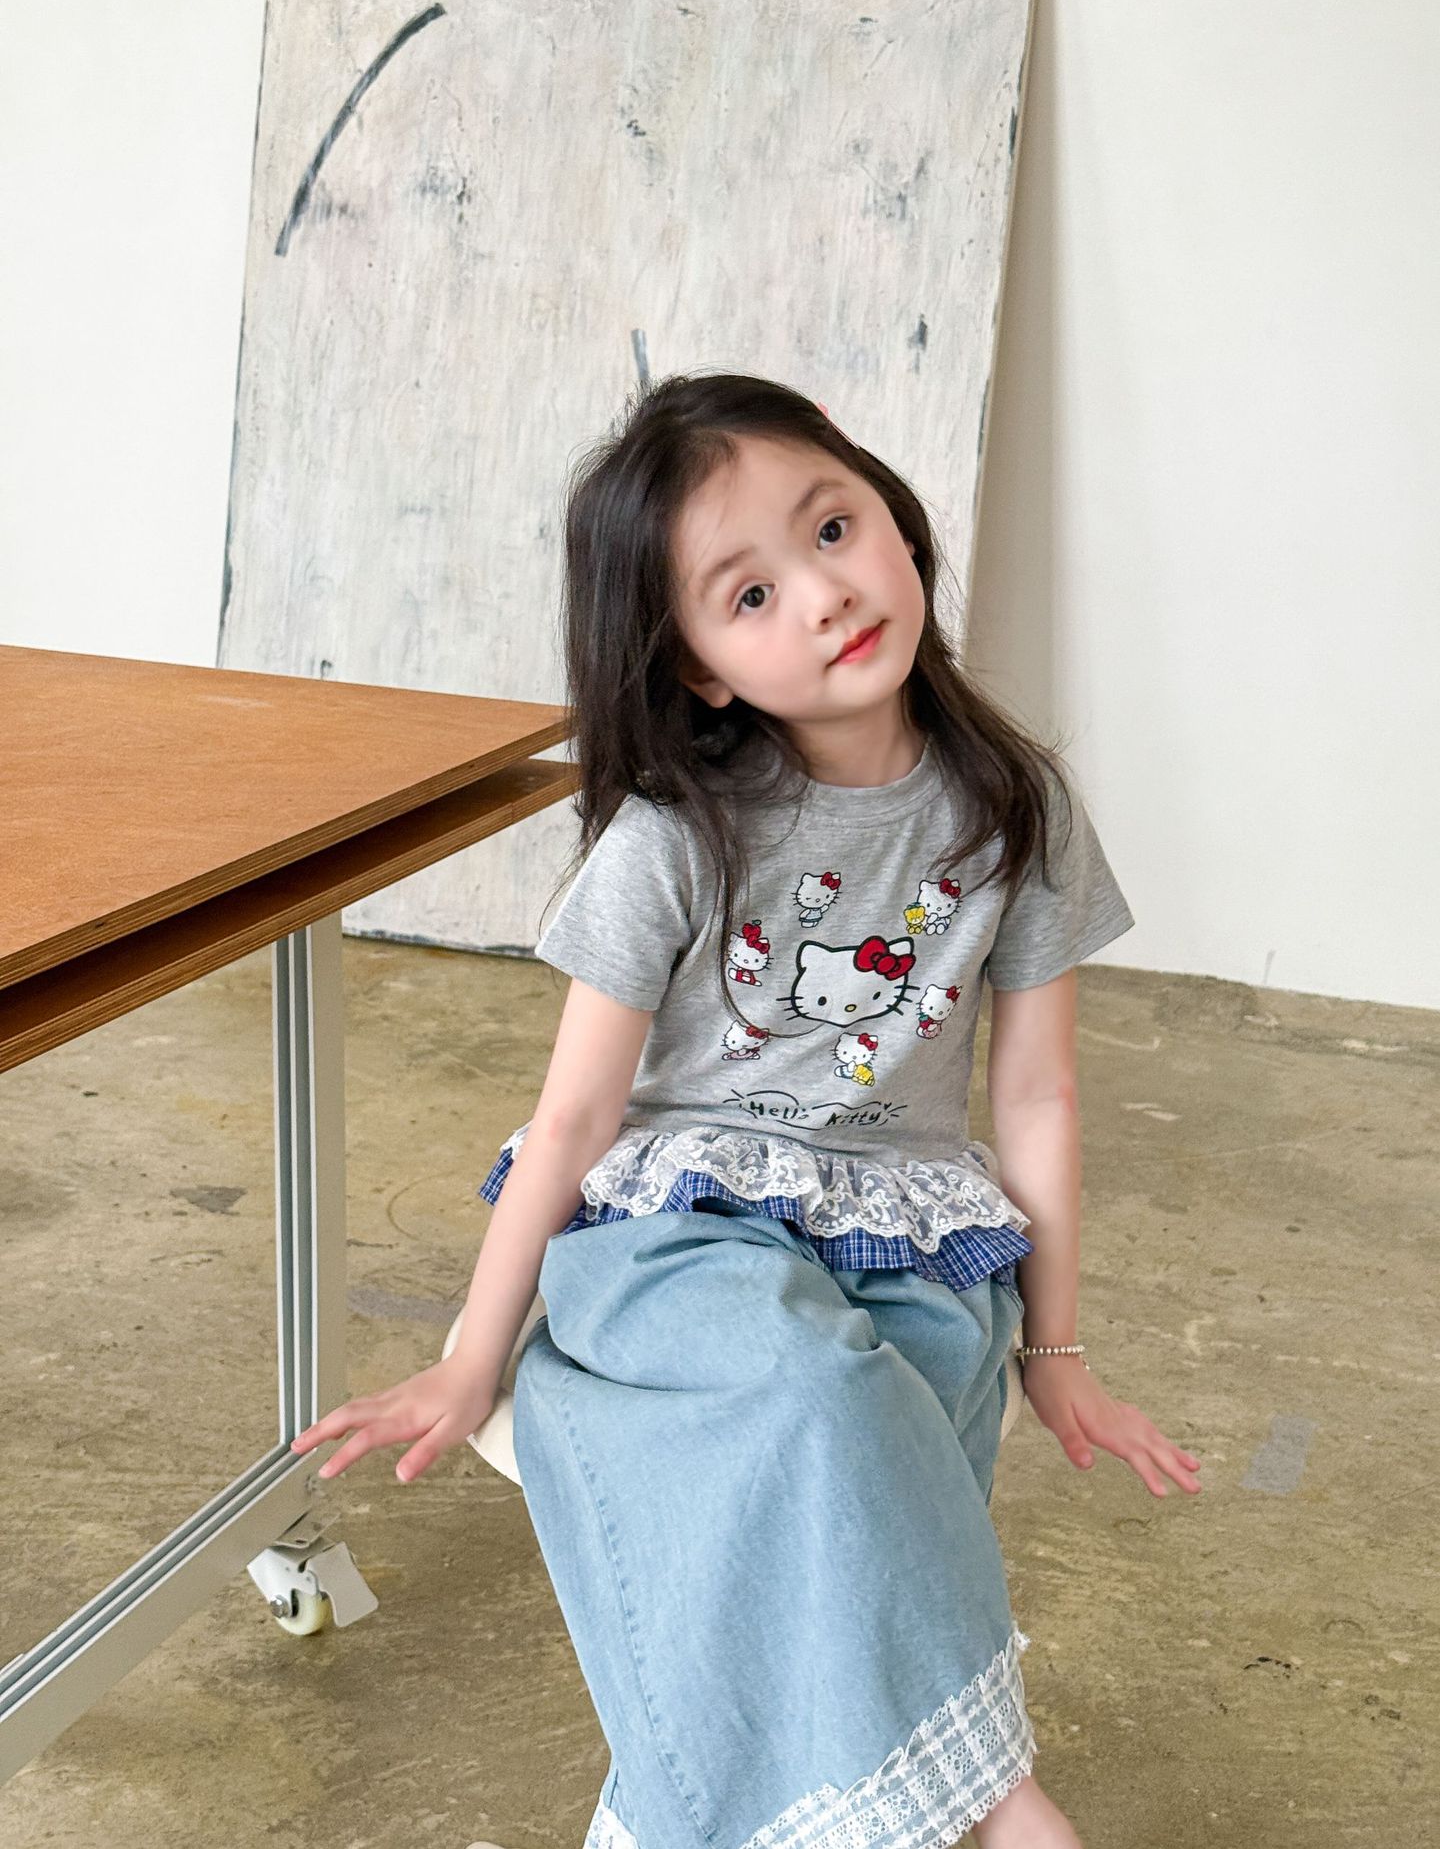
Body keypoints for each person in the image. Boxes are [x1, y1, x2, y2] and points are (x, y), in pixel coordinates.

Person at [290, 373, 1202, 1849]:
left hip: (909, 1232)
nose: (826, 595)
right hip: (678, 1231)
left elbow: (1036, 1094)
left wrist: (1057, 1353)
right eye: (753, 594)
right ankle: (1000, 1807)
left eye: (832, 529)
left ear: (891, 512)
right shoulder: (672, 837)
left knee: (890, 1445)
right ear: (702, 669)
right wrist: (468, 1360)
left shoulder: (1017, 810)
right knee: (817, 1390)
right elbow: (575, 1116)